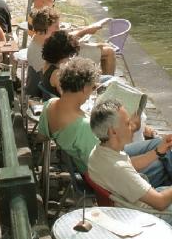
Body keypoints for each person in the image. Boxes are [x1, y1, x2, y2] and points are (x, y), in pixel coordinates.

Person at [37, 58, 172, 188]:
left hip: (98, 161)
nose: (92, 92)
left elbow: (42, 137)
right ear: (84, 88)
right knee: (162, 164)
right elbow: (112, 166)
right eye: (93, 87)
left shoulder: (50, 104)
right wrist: (132, 128)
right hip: (104, 178)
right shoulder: (84, 127)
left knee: (158, 143)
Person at [89, 100, 172, 221]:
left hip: (138, 202)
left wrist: (158, 152)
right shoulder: (119, 169)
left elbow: (130, 164)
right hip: (150, 215)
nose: (133, 127)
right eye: (127, 123)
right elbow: (160, 202)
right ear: (113, 131)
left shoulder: (99, 152)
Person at [26, 30, 79, 99]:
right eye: (69, 56)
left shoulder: (46, 64)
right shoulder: (57, 74)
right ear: (61, 55)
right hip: (58, 103)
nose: (69, 59)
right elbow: (67, 98)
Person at [27, 6, 60, 73]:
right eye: (56, 26)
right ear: (45, 28)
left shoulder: (38, 38)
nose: (58, 29)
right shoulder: (40, 53)